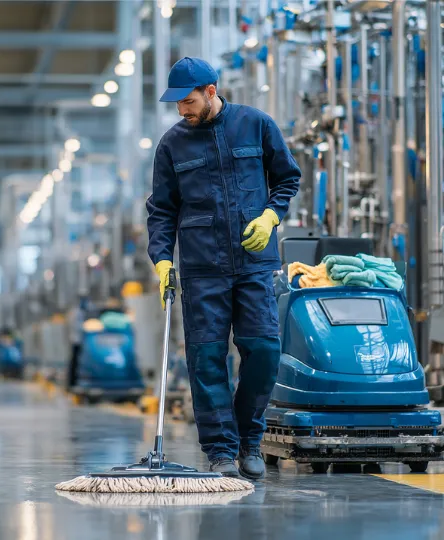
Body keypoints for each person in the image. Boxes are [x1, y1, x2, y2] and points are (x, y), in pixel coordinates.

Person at [146, 57, 301, 479]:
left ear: (211, 91)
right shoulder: (171, 145)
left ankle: (249, 441)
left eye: (189, 101)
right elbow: (161, 210)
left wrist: (271, 216)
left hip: (253, 263)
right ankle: (220, 450)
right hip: (201, 266)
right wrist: (162, 261)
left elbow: (287, 178)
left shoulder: (256, 124)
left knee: (265, 351)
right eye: (177, 104)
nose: (182, 110)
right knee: (207, 358)